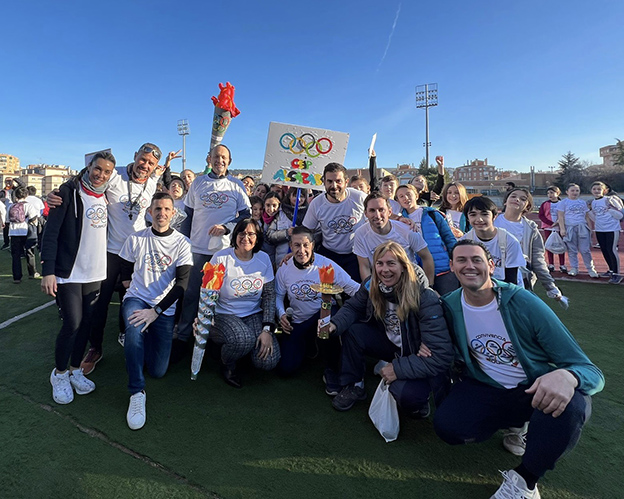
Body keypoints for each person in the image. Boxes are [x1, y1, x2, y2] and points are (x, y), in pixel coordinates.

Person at [434, 239, 604, 499]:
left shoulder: (524, 302)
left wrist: (568, 375)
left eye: (476, 260)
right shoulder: (449, 305)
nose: (470, 266)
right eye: (462, 260)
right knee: (449, 427)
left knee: (572, 404)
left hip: (532, 389)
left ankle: (525, 479)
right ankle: (516, 424)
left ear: (491, 265)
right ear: (452, 267)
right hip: (486, 386)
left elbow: (591, 371)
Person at [326, 242, 453, 417]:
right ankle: (354, 385)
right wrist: (334, 324)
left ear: (403, 265)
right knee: (353, 331)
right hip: (389, 343)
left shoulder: (424, 295)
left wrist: (398, 368)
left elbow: (442, 355)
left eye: (391, 263)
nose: (385, 269)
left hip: (415, 352)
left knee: (406, 395)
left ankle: (419, 400)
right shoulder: (372, 285)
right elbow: (353, 307)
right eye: (380, 263)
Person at [41, 152, 116, 404]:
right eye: (98, 169)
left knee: (87, 323)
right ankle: (59, 374)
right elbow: (50, 235)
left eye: (106, 172)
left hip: (95, 272)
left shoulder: (107, 195)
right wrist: (48, 271)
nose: (101, 175)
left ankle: (74, 369)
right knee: (72, 323)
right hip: (69, 273)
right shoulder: (67, 192)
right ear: (89, 167)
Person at [118, 192, 193, 430]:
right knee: (133, 328)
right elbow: (124, 270)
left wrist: (156, 311)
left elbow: (182, 285)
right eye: (157, 209)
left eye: (166, 209)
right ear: (150, 212)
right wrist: (132, 290)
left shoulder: (182, 243)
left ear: (173, 213)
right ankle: (137, 392)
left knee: (158, 371)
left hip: (163, 308)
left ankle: (143, 343)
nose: (161, 213)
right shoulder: (136, 238)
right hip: (137, 299)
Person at [174, 144, 251, 358]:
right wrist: (183, 242)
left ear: (230, 161)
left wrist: (227, 227)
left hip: (223, 252)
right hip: (196, 249)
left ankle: (213, 341)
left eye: (224, 157)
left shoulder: (236, 185)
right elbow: (187, 216)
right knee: (191, 295)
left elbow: (246, 215)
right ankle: (182, 338)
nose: (220, 161)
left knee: (218, 298)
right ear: (209, 158)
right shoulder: (198, 183)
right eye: (216, 156)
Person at [275, 226, 359, 393]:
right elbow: (277, 296)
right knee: (286, 368)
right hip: (298, 321)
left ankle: (331, 369)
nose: (302, 250)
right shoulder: (284, 268)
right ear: (290, 247)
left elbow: (353, 288)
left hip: (322, 315)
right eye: (297, 245)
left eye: (306, 245)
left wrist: (376, 295)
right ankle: (310, 345)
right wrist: (282, 314)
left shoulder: (326, 264)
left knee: (326, 322)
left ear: (313, 245)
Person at [209, 218, 280, 388]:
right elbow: (208, 292)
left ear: (257, 238)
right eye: (241, 233)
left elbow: (269, 295)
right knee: (243, 339)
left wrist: (267, 329)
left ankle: (243, 352)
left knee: (268, 360)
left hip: (252, 313)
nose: (245, 238)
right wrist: (205, 317)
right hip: (224, 314)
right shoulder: (220, 258)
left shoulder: (263, 259)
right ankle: (227, 362)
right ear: (235, 235)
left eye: (251, 234)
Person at [494, 188, 564, 300]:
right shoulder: (491, 222)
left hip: (520, 280)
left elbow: (538, 259)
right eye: (513, 196)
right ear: (505, 201)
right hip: (492, 278)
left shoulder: (531, 229)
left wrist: (550, 286)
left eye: (523, 199)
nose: (517, 199)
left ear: (527, 206)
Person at [303, 162, 367, 282]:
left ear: (346, 182)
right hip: (329, 255)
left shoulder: (359, 198)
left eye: (338, 181)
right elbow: (307, 231)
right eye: (330, 181)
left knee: (355, 293)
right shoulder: (316, 204)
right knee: (326, 293)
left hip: (355, 255)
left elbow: (378, 210)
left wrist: (399, 217)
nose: (334, 186)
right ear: (324, 182)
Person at [353, 192, 434, 284]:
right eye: (372, 210)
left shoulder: (407, 230)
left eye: (381, 210)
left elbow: (426, 256)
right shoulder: (360, 234)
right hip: (381, 281)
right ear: (366, 214)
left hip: (408, 280)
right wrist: (370, 290)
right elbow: (364, 266)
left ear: (390, 212)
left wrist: (429, 285)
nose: (377, 215)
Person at [395, 184, 459, 295]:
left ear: (416, 195)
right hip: (416, 272)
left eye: (408, 194)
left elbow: (448, 238)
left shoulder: (432, 214)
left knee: (449, 303)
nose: (405, 198)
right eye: (401, 196)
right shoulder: (399, 221)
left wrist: (456, 260)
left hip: (443, 269)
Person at [462, 196, 526, 286]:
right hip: (476, 288)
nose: (479, 219)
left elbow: (512, 279)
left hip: (505, 287)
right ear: (468, 218)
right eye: (473, 214)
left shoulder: (510, 241)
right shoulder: (464, 242)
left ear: (494, 216)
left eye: (484, 214)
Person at [556, 184, 598, 277]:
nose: (575, 193)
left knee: (585, 250)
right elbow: (561, 217)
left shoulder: (582, 202)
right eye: (572, 190)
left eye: (577, 191)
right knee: (572, 250)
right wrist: (562, 229)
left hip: (582, 227)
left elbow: (587, 216)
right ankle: (574, 268)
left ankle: (591, 269)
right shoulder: (563, 203)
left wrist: (590, 229)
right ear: (567, 192)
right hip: (569, 228)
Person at [589, 181, 623, 284]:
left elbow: (620, 215)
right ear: (591, 190)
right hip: (600, 229)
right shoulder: (593, 202)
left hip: (612, 229)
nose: (596, 191)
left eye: (599, 189)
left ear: (604, 190)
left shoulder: (609, 200)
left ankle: (617, 274)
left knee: (611, 250)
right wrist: (590, 211)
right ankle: (611, 270)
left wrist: (611, 210)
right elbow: (595, 217)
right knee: (604, 250)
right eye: (594, 189)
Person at [266, 187, 309, 265]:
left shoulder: (309, 213)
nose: (298, 199)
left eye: (302, 196)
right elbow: (270, 235)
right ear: (289, 196)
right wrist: (286, 233)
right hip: (282, 259)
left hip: (301, 258)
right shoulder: (281, 213)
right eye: (295, 196)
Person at [8, 186, 40, 283]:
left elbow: (7, 219)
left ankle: (17, 277)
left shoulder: (11, 206)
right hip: (26, 231)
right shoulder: (28, 205)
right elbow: (34, 217)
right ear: (26, 195)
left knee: (16, 255)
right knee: (29, 252)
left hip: (13, 232)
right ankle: (32, 272)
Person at [538, 186, 566, 272]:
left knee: (561, 245)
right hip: (548, 228)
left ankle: (562, 264)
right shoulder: (545, 204)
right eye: (548, 193)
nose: (550, 195)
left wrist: (559, 222)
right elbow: (541, 215)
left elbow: (565, 214)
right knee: (550, 245)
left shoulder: (562, 203)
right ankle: (551, 264)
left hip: (560, 227)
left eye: (552, 193)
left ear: (557, 193)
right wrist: (551, 223)